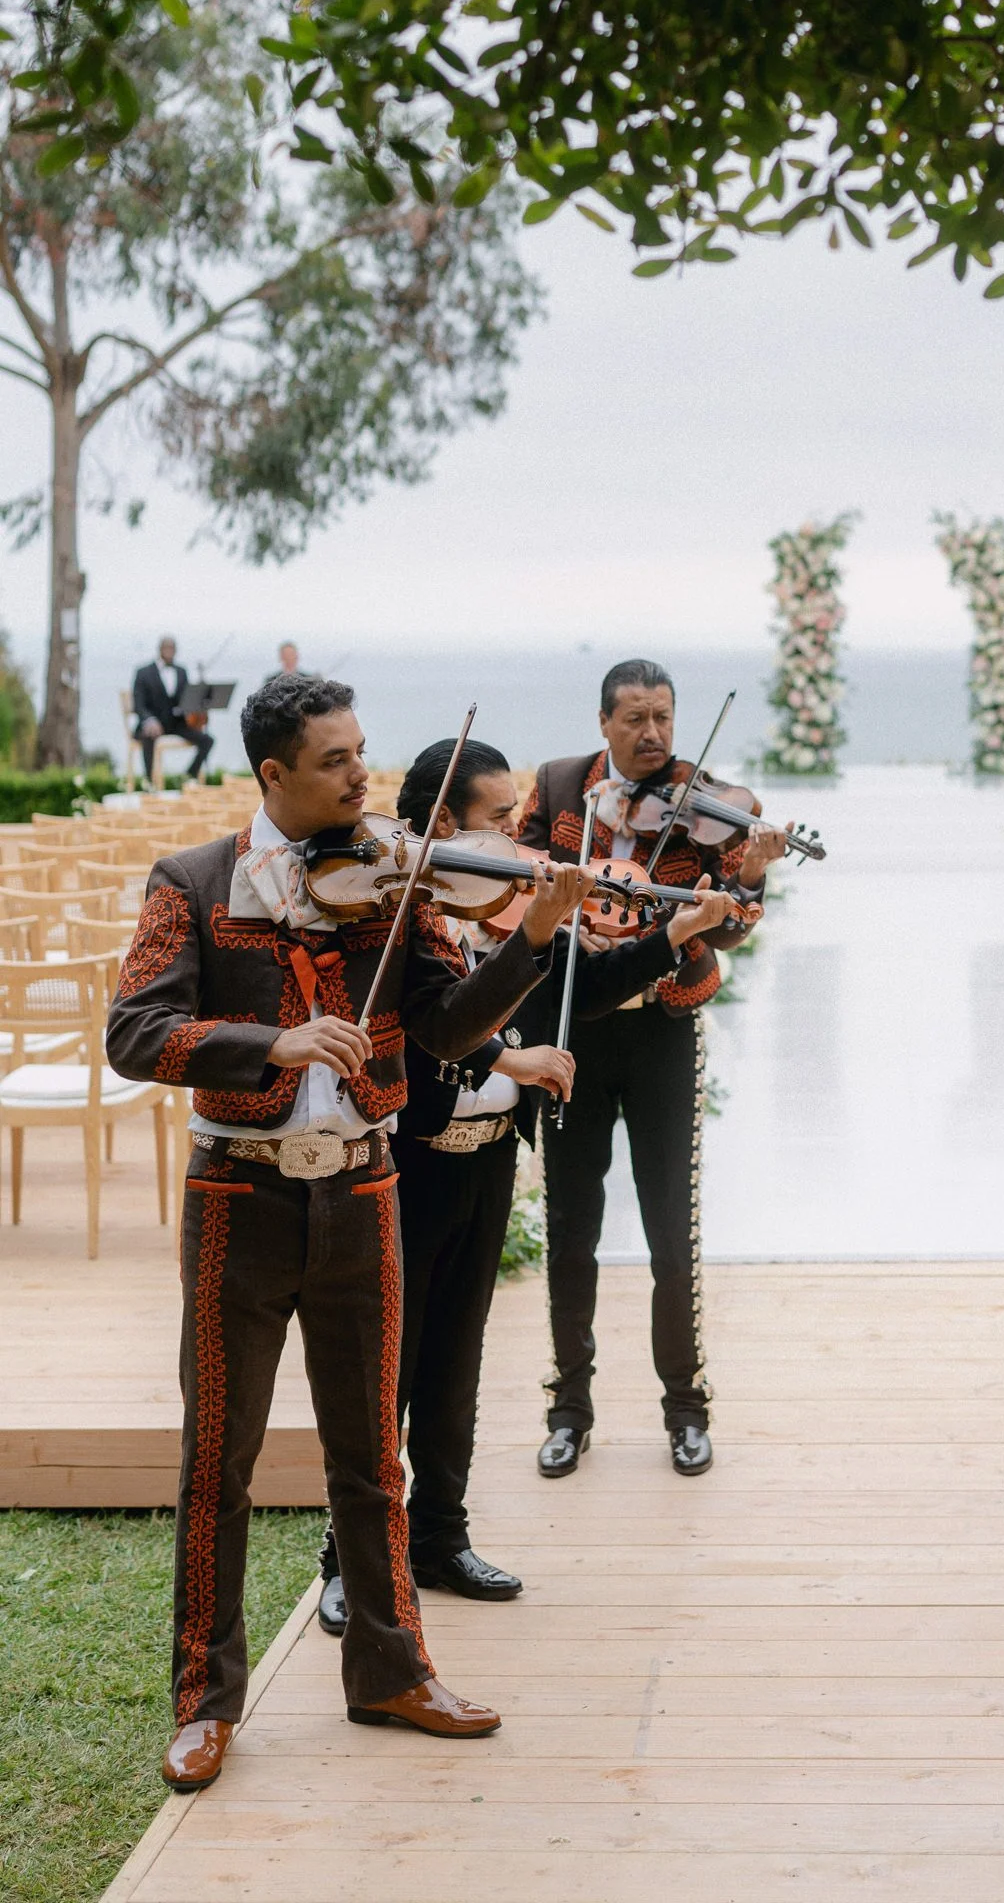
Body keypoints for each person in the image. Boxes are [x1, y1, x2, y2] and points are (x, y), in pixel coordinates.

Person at [105, 673, 598, 1792]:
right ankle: (203, 1699)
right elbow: (134, 1033)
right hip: (239, 1194)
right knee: (217, 1455)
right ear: (274, 773)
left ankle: (389, 1670)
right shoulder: (191, 882)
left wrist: (537, 935)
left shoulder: (392, 889)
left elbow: (445, 1027)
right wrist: (264, 1047)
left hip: (367, 1188)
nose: (362, 778)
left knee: (374, 1451)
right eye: (337, 762)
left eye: (363, 753)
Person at [315, 735, 745, 1636]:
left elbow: (580, 991)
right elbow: (428, 1035)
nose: (524, 844)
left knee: (457, 1362)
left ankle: (439, 1535)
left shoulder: (508, 916)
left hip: (486, 1161)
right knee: (386, 1371)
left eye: (520, 820)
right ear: (443, 827)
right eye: (500, 823)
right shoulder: (402, 919)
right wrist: (510, 1054)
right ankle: (349, 1557)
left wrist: (675, 931)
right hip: (415, 1161)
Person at [519, 659, 787, 1480]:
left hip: (664, 1027)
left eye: (664, 717)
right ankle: (569, 1406)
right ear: (604, 722)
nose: (654, 735)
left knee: (674, 1231)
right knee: (572, 1229)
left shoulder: (707, 800)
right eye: (635, 718)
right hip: (575, 1031)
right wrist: (568, 924)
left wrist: (748, 873)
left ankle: (686, 1405)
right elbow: (515, 877)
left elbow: (734, 928)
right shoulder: (560, 786)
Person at [132, 637, 214, 784]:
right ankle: (149, 782)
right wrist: (149, 720)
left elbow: (186, 700)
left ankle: (189, 775)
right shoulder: (143, 672)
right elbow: (138, 705)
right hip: (153, 724)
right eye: (167, 648)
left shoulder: (182, 672)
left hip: (176, 724)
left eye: (173, 648)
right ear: (160, 649)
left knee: (207, 740)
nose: (170, 651)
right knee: (148, 735)